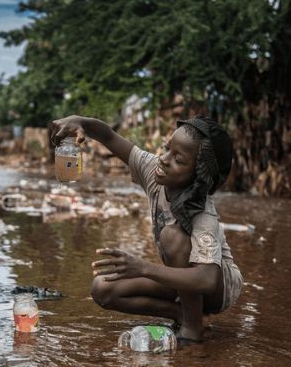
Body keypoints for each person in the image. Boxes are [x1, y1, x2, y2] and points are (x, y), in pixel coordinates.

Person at [50, 115, 243, 343]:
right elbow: (109, 137)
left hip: (219, 288)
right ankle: (181, 314)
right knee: (103, 288)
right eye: (167, 148)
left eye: (179, 160)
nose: (164, 159)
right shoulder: (154, 172)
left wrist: (142, 267)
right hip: (187, 279)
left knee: (172, 236)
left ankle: (193, 328)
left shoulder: (203, 214)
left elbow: (207, 278)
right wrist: (80, 122)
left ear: (198, 177)